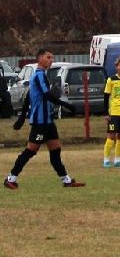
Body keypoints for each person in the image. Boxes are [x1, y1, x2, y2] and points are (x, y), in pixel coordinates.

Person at [4, 49, 85, 190]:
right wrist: (66, 105)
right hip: (40, 122)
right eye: (48, 57)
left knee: (55, 151)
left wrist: (21, 118)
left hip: (48, 121)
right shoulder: (39, 75)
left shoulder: (41, 75)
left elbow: (29, 97)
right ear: (40, 58)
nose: (51, 60)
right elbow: (47, 95)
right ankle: (10, 178)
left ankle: (66, 180)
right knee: (31, 151)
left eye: (52, 57)